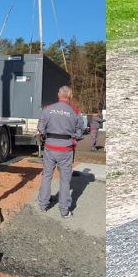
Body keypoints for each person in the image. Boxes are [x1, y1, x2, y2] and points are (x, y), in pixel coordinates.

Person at [37, 85, 80, 218]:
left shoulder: (47, 109)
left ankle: (43, 206)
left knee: (47, 176)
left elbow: (40, 129)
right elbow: (78, 133)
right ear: (71, 96)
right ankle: (64, 211)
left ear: (58, 95)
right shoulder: (75, 112)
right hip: (66, 149)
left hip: (50, 148)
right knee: (65, 180)